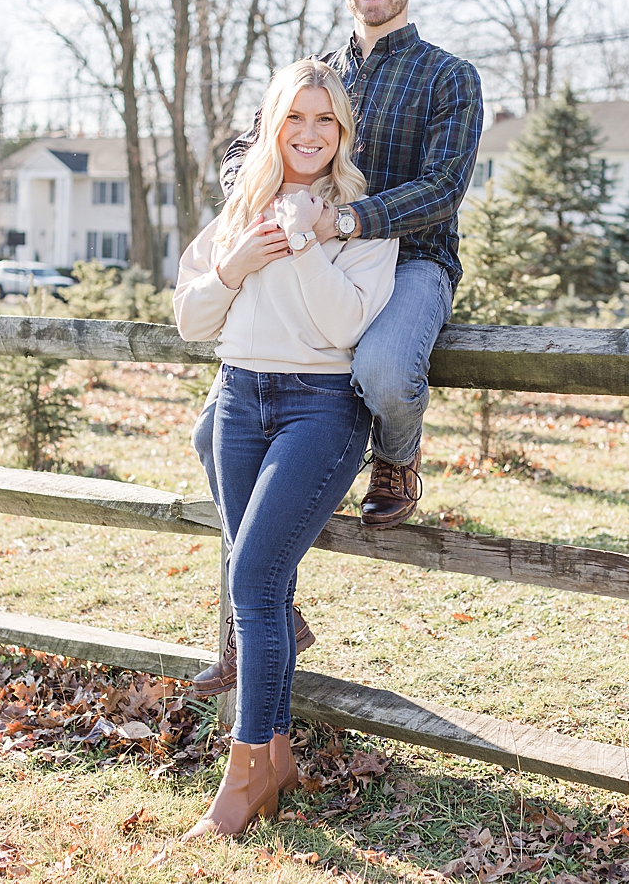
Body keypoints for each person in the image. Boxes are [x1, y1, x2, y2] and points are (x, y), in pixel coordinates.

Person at [188, 0, 483, 699]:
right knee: (213, 427)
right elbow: (241, 150)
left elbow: (443, 187)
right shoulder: (317, 72)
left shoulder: (449, 76)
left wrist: (345, 219)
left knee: (385, 368)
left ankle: (397, 452)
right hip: (310, 256)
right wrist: (260, 204)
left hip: (409, 256)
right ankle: (261, 611)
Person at [172, 58, 399, 836]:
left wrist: (305, 240)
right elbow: (191, 320)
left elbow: (345, 329)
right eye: (294, 118)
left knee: (255, 578)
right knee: (260, 587)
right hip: (239, 398)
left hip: (320, 410)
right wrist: (235, 264)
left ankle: (241, 781)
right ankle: (275, 759)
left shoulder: (362, 218)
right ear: (274, 125)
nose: (308, 134)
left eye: (324, 120)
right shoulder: (242, 207)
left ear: (342, 131)